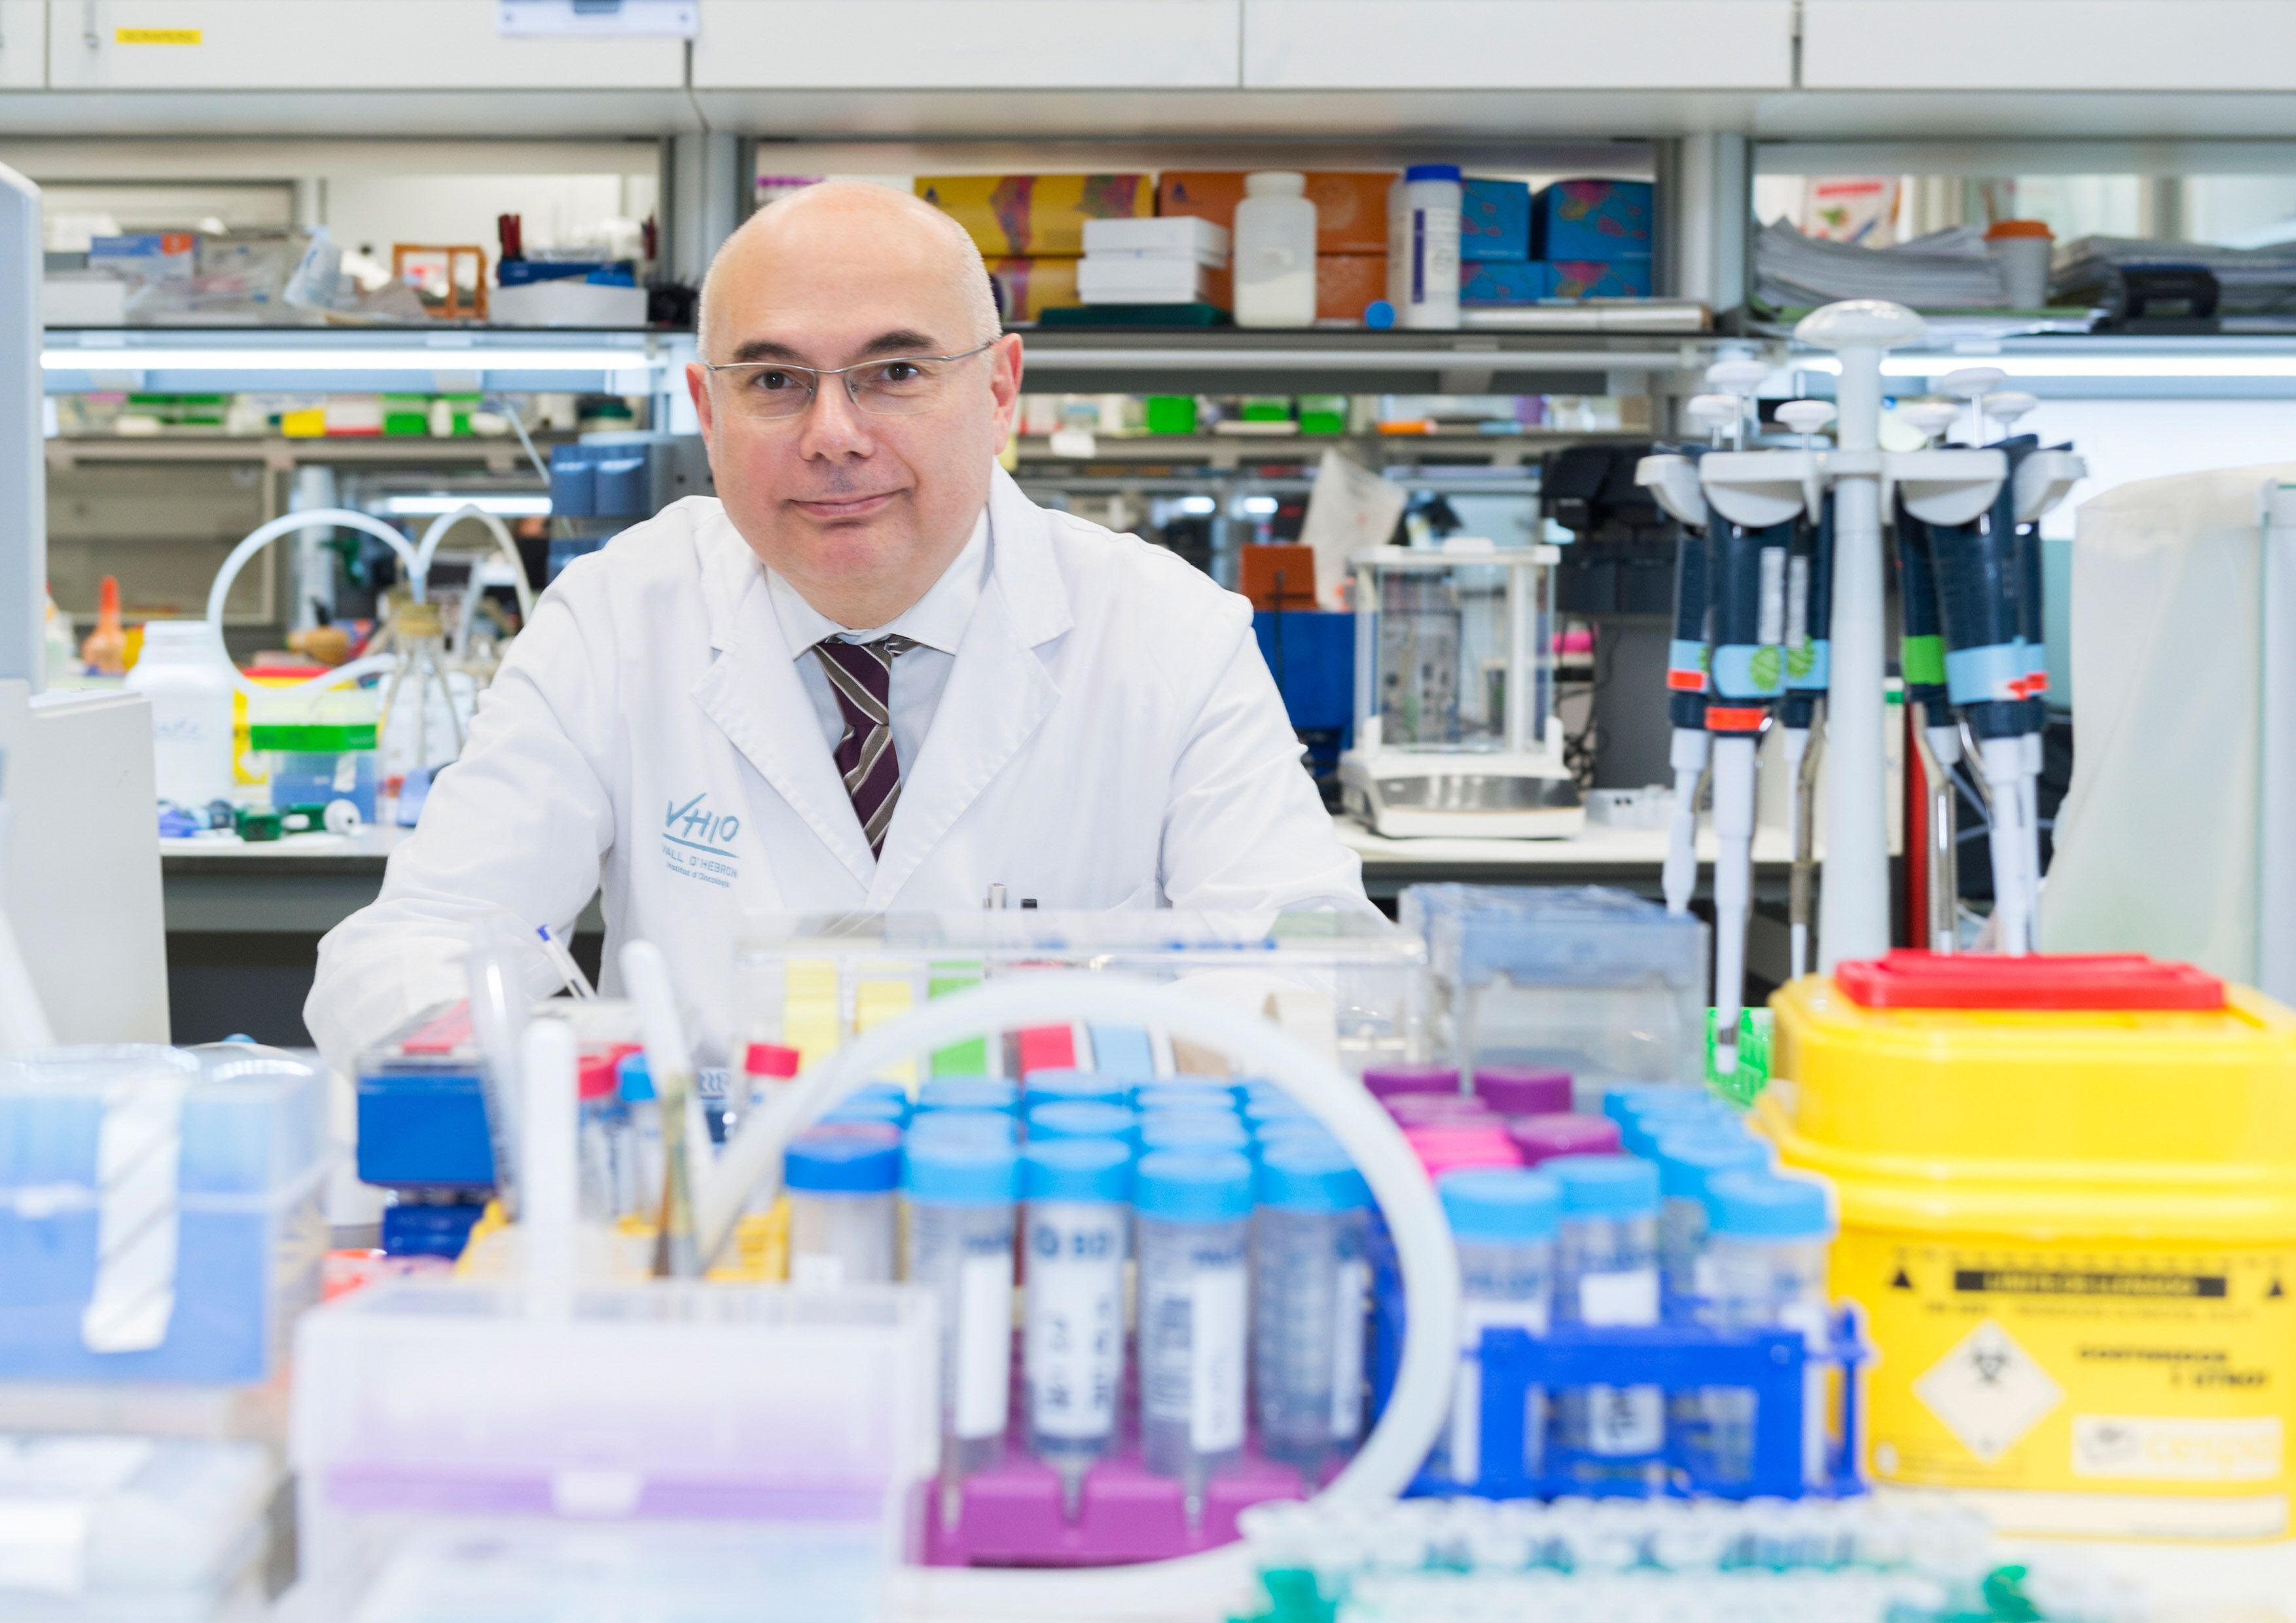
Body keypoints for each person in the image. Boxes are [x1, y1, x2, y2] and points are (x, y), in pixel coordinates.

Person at [306, 181, 1370, 1067]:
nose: (833, 435)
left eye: (895, 372)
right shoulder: (617, 616)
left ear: (1001, 390)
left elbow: (1319, 974)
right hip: (718, 1220)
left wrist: (1073, 1059)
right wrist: (561, 1081)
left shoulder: (1171, 635)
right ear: (709, 412)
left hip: (1046, 1200)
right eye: (775, 381)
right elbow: (413, 948)